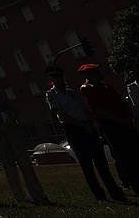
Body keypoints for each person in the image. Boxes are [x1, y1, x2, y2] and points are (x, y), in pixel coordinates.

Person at [79, 63, 139, 199]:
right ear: (89, 75)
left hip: (125, 123)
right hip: (112, 126)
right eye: (95, 72)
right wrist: (120, 120)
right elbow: (99, 111)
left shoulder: (106, 86)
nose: (99, 74)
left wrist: (128, 118)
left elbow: (122, 103)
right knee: (126, 158)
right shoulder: (87, 89)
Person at [0, 66, 50, 204]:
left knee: (25, 163)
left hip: (10, 129)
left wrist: (9, 121)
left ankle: (38, 194)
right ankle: (20, 196)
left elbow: (11, 108)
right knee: (8, 165)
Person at [46, 66, 126, 202]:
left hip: (87, 127)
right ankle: (99, 195)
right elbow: (61, 115)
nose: (59, 80)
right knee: (87, 165)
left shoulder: (72, 92)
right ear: (52, 81)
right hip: (74, 129)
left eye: (60, 77)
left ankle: (114, 192)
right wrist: (82, 125)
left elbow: (84, 109)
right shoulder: (52, 95)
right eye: (56, 78)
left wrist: (90, 122)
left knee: (101, 163)